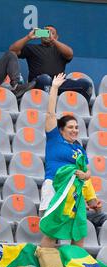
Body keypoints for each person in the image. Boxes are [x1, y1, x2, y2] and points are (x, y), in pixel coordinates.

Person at [40, 73, 91, 248]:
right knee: (52, 232)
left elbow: (88, 171)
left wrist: (85, 175)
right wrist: (54, 88)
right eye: (71, 127)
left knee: (77, 232)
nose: (75, 130)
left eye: (77, 127)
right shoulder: (54, 138)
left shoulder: (79, 148)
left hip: (73, 194)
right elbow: (50, 113)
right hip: (54, 187)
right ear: (61, 130)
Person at [9, 25, 92, 103]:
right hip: (40, 83)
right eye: (46, 32)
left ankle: (81, 108)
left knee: (86, 84)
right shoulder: (32, 48)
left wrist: (53, 40)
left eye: (51, 33)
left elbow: (70, 54)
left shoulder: (60, 50)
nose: (48, 34)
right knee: (45, 79)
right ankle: (49, 106)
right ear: (41, 34)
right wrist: (28, 37)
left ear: (56, 37)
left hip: (59, 84)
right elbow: (13, 51)